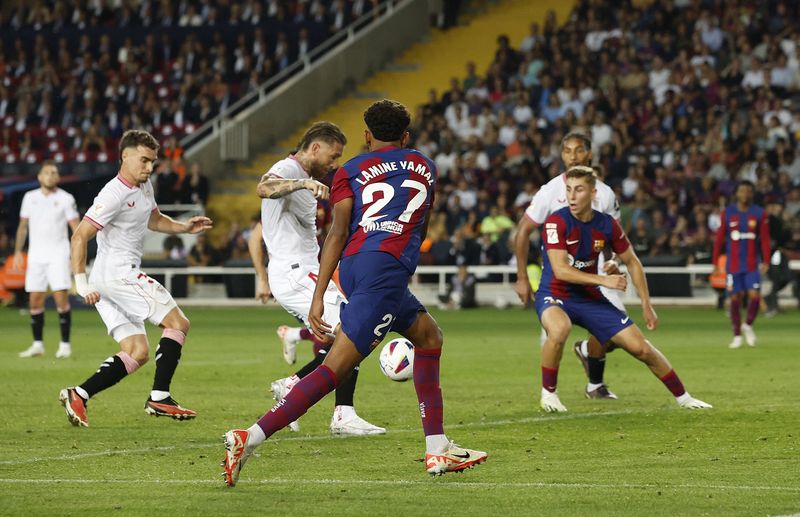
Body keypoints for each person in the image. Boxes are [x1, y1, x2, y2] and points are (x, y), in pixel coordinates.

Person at [223, 99, 487, 487]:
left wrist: (320, 293)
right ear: (406, 136)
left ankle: (438, 447)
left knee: (430, 337)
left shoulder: (350, 170)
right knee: (334, 368)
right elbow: (422, 226)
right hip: (387, 270)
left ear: (367, 136)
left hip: (360, 266)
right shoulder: (424, 166)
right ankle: (250, 438)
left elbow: (338, 232)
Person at [59, 129, 213, 427]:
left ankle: (79, 394)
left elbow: (153, 219)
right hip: (118, 274)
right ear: (125, 156)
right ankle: (160, 395)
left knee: (137, 351)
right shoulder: (113, 193)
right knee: (179, 324)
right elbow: (80, 236)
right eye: (144, 160)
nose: (149, 167)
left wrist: (183, 227)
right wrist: (80, 283)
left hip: (111, 279)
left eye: (153, 161)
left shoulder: (144, 187)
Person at [528, 167, 712, 412]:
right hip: (555, 293)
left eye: (579, 189)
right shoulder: (557, 221)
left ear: (593, 193)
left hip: (589, 298)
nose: (572, 196)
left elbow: (633, 260)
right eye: (569, 189)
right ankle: (548, 395)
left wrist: (647, 304)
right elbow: (560, 270)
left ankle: (685, 398)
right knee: (560, 329)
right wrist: (604, 281)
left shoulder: (606, 224)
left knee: (641, 348)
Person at [246, 121, 384, 437]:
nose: (334, 164)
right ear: (315, 148)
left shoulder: (306, 176)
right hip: (295, 272)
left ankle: (326, 403)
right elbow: (263, 188)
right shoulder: (288, 168)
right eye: (333, 156)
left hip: (302, 271)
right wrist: (302, 185)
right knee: (354, 330)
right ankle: (333, 409)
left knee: (345, 336)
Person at [514, 133, 622, 409]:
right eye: (567, 151)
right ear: (561, 155)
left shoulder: (606, 193)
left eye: (578, 150)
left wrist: (614, 261)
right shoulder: (550, 192)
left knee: (613, 334)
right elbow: (524, 231)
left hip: (597, 274)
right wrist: (522, 277)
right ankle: (551, 394)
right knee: (555, 335)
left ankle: (590, 365)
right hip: (558, 278)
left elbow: (613, 236)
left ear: (589, 154)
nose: (572, 156)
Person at [15, 162, 80, 359]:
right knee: (35, 300)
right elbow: (23, 226)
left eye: (54, 173)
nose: (51, 175)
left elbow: (75, 228)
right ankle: (37, 345)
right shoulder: (30, 197)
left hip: (58, 254)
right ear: (39, 177)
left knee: (61, 298)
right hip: (36, 256)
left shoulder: (66, 198)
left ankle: (65, 345)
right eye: (47, 172)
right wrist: (18, 252)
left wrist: (75, 255)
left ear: (58, 177)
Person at [712, 180, 771, 348]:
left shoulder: (759, 213)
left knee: (754, 295)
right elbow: (719, 238)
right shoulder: (728, 213)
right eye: (742, 191)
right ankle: (737, 335)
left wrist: (766, 260)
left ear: (751, 194)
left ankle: (748, 325)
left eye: (748, 191)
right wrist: (715, 261)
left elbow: (765, 240)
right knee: (734, 298)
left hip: (752, 263)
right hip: (734, 264)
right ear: (737, 194)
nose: (745, 194)